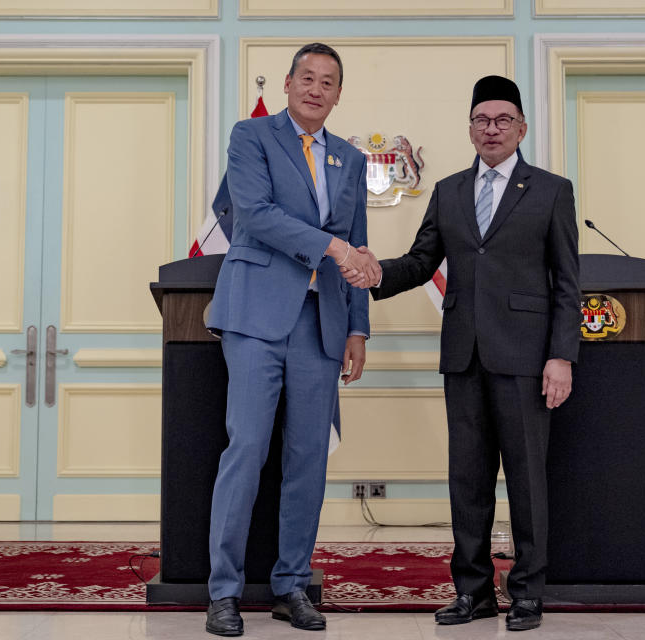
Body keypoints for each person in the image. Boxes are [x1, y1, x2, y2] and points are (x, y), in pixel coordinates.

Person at [343, 75, 580, 632]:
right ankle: (473, 593)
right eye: (481, 120)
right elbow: (422, 261)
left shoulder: (550, 190)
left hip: (527, 360)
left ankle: (526, 592)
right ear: (469, 129)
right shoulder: (449, 191)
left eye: (502, 120)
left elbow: (567, 283)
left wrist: (561, 356)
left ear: (521, 128)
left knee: (526, 483)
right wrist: (372, 272)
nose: (491, 129)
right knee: (467, 483)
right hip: (464, 358)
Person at [204, 42, 380, 637]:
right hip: (256, 313)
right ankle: (223, 592)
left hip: (322, 323)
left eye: (328, 81)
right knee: (247, 448)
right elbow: (251, 214)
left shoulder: (350, 162)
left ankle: (291, 585)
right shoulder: (251, 137)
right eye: (306, 77)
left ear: (337, 94)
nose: (315, 88)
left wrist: (358, 326)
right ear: (287, 83)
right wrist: (331, 248)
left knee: (308, 461)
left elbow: (356, 243)